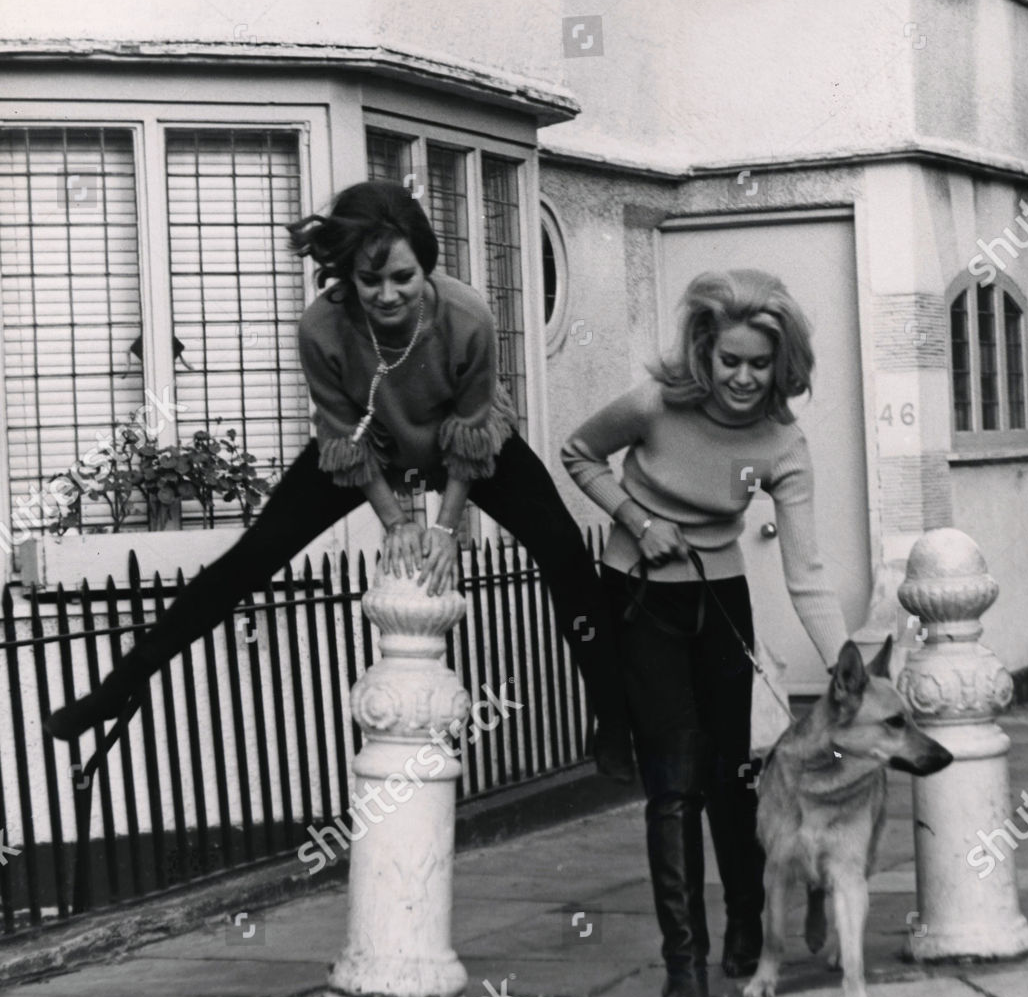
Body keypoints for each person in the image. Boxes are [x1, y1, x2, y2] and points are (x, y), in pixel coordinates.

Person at [44, 181, 634, 783]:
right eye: (368, 280)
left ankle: (614, 714)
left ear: (425, 265)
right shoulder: (320, 329)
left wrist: (445, 528)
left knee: (564, 553)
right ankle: (118, 686)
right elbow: (345, 439)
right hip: (364, 445)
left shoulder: (468, 317)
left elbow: (471, 431)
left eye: (402, 277)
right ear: (346, 275)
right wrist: (396, 522)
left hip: (468, 440)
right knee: (251, 557)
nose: (386, 294)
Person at [561, 269, 848, 997]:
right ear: (704, 353)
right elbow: (578, 452)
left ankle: (747, 926)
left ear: (781, 363)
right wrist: (633, 515)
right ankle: (682, 967)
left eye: (760, 363)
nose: (744, 378)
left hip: (721, 602)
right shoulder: (655, 407)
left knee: (736, 775)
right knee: (675, 783)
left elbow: (808, 573)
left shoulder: (783, 442)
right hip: (641, 597)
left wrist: (854, 673)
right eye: (730, 361)